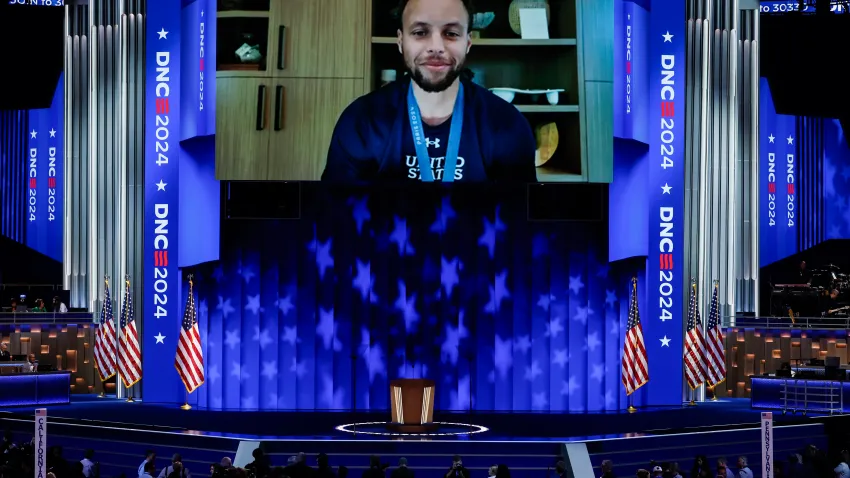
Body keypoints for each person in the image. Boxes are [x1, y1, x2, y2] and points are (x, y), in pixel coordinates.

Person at [322, 0, 537, 183]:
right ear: (400, 41)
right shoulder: (361, 121)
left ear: (468, 42)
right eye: (420, 32)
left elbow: (521, 223)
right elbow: (336, 218)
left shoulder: (507, 124)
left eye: (451, 33)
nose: (436, 46)